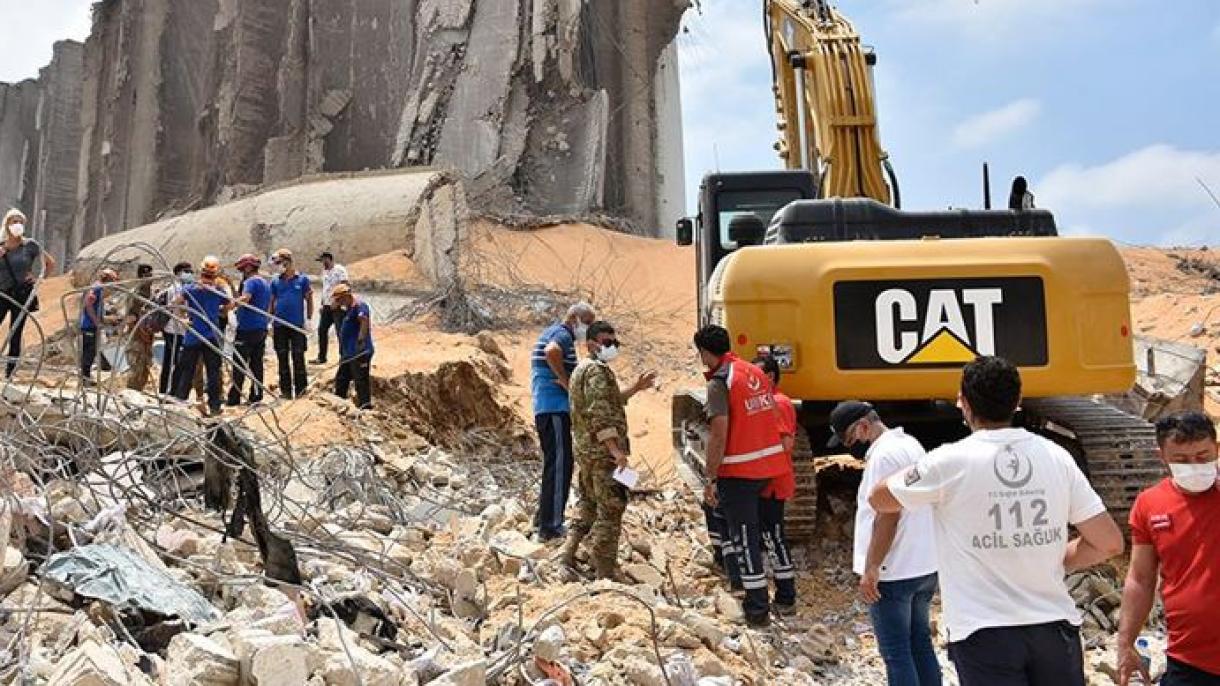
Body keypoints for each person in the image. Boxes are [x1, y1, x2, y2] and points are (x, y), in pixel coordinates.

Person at [870, 356, 1125, 686]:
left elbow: (880, 497)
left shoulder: (950, 460)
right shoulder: (1056, 456)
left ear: (963, 403)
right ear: (1018, 401)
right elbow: (1109, 542)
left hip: (983, 632)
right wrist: (1061, 558)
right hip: (1054, 628)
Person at [831, 400, 939, 686]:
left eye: (850, 439)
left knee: (896, 653)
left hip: (895, 569)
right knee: (920, 643)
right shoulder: (911, 444)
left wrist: (872, 567)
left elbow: (887, 516)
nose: (851, 447)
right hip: (924, 563)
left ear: (864, 427)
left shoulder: (883, 457)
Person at [695, 324, 790, 626]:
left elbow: (719, 433)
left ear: (705, 352)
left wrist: (710, 478)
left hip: (739, 471)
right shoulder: (753, 372)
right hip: (769, 468)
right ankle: (785, 596)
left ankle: (757, 608)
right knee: (768, 535)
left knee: (744, 538)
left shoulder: (720, 381)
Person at [1117, 411, 1220, 686]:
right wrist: (1125, 643)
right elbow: (1140, 578)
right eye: (1182, 460)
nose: (1195, 465)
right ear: (1162, 456)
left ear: (1217, 448)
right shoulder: (1149, 505)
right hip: (1188, 659)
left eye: (1203, 456)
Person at [561, 321, 656, 579]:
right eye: (607, 343)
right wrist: (616, 452)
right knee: (611, 508)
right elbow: (600, 415)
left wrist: (636, 388)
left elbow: (610, 400)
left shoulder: (583, 369)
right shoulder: (597, 372)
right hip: (602, 454)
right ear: (591, 343)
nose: (612, 347)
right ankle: (604, 569)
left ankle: (567, 555)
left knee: (589, 506)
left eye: (615, 343)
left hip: (586, 451)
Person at [530, 302, 597, 541]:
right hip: (553, 408)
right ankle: (551, 526)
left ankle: (543, 517)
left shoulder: (554, 332)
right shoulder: (562, 334)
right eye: (587, 323)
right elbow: (551, 352)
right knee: (560, 465)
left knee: (555, 464)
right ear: (575, 319)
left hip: (548, 408)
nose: (587, 329)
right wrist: (566, 383)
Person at [752, 356, 798, 613]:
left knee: (774, 537)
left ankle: (786, 595)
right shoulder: (767, 403)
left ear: (769, 376)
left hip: (772, 481)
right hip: (767, 479)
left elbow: (785, 444)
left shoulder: (777, 403)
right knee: (768, 536)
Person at [0, 208, 56, 378]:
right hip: (2, 293)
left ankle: (10, 373)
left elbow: (49, 262)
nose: (17, 225)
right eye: (13, 221)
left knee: (16, 333)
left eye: (20, 222)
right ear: (7, 224)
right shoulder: (1, 247)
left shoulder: (30, 245)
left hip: (22, 293)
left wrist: (39, 278)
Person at [174, 257, 231, 416]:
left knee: (187, 370)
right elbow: (229, 304)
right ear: (215, 274)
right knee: (213, 371)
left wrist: (183, 319)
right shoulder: (217, 290)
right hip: (211, 335)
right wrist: (221, 312)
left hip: (193, 335)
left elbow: (176, 303)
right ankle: (214, 405)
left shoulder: (191, 288)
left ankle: (180, 401)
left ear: (201, 272)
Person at [268, 248, 313, 399]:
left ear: (287, 262)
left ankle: (301, 389)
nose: (278, 266)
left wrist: (309, 319)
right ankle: (285, 391)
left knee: (298, 356)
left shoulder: (302, 280)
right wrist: (269, 320)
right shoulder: (275, 281)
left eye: (279, 263)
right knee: (282, 357)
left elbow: (309, 298)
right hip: (279, 325)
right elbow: (272, 302)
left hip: (296, 325)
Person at [228, 255, 271, 405]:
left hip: (247, 329)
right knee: (256, 364)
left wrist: (230, 305)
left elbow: (245, 298)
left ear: (248, 267)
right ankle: (256, 396)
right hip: (261, 327)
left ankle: (234, 398)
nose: (241, 272)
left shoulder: (251, 282)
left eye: (242, 269)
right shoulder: (265, 283)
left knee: (239, 364)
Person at [330, 283, 374, 410]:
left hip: (359, 352)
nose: (338, 302)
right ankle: (339, 403)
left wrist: (361, 340)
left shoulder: (359, 306)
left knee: (360, 380)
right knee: (341, 379)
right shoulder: (348, 309)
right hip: (348, 353)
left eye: (339, 299)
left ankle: (365, 406)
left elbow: (364, 321)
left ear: (346, 296)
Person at [80, 269, 119, 383]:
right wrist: (96, 321)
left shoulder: (99, 288)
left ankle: (86, 376)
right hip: (89, 325)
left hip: (91, 324)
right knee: (89, 352)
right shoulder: (97, 288)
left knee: (92, 351)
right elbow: (88, 304)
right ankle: (85, 378)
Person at [312, 251, 348, 365]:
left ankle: (344, 357)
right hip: (327, 306)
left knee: (340, 332)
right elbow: (325, 289)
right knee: (322, 330)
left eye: (323, 260)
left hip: (337, 306)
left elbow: (345, 286)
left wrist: (338, 302)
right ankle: (322, 357)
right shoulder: (325, 272)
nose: (322, 263)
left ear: (328, 259)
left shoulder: (340, 270)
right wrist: (322, 304)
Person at [124, 264, 156, 391]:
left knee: (145, 368)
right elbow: (130, 318)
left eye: (151, 275)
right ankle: (131, 394)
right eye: (147, 276)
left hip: (148, 337)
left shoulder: (152, 294)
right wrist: (141, 332)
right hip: (137, 337)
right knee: (136, 368)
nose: (150, 279)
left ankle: (139, 392)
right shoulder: (135, 295)